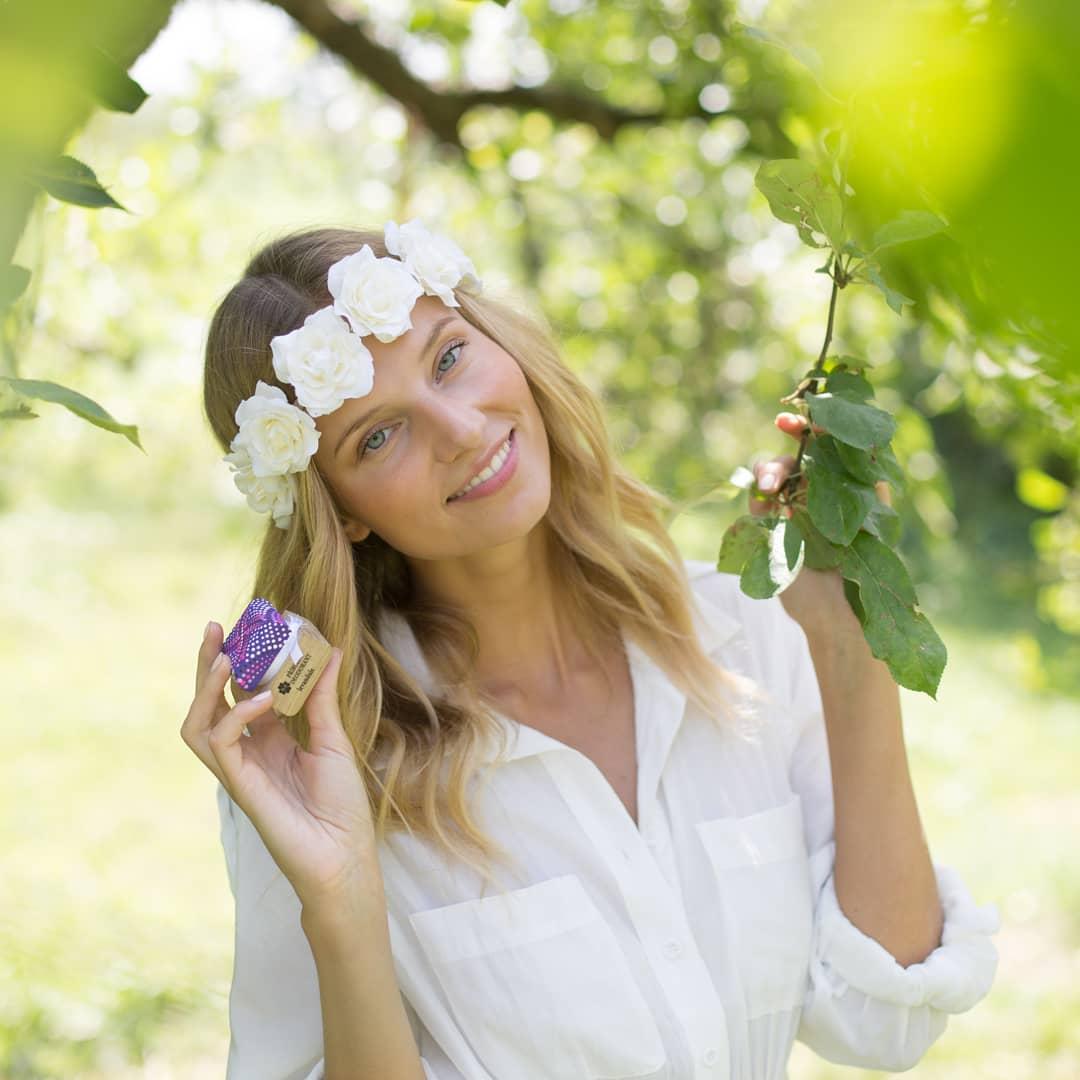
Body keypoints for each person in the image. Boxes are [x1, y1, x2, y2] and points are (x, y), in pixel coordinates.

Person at [181, 221, 1000, 1080]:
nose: (459, 429)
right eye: (377, 437)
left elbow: (882, 1022)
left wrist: (849, 645)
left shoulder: (744, 630)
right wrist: (343, 902)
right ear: (337, 509)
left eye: (450, 356)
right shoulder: (321, 765)